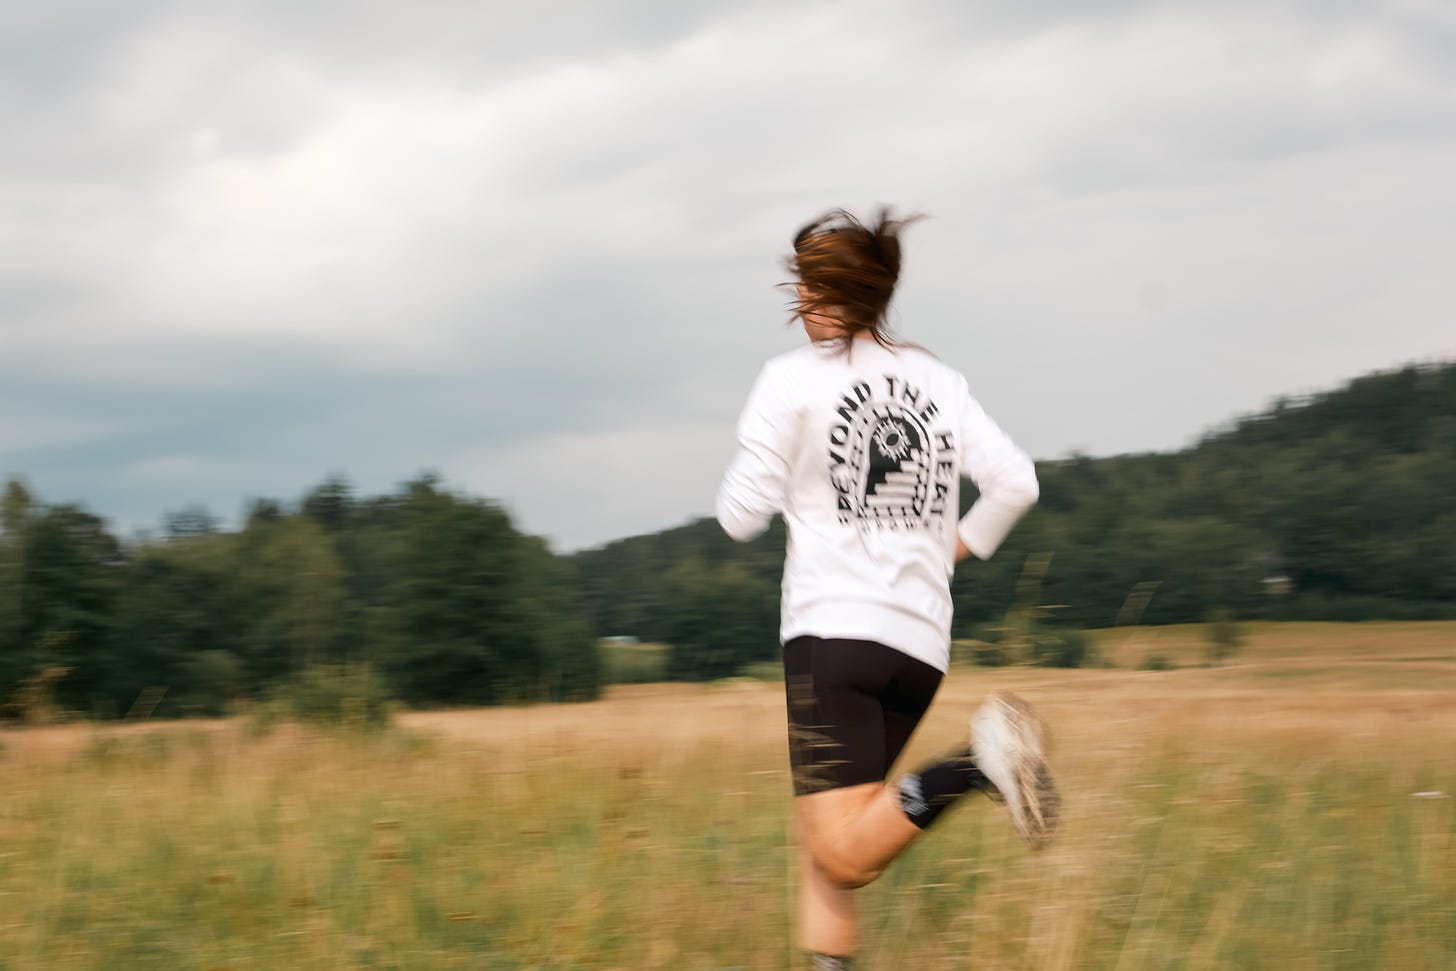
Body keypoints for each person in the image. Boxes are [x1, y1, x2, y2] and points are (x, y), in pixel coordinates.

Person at [715, 208, 1059, 968]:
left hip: (832, 636)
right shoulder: (939, 381)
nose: (801, 305)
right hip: (919, 645)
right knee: (832, 837)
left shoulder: (791, 382)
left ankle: (974, 764)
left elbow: (739, 515)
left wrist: (759, 458)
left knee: (838, 852)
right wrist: (948, 553)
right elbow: (1016, 483)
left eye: (805, 289)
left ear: (824, 294)